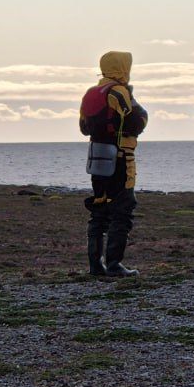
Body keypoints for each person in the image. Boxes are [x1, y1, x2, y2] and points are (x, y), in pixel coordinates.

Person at [79, 51, 147, 277]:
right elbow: (137, 121)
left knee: (99, 208)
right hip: (121, 157)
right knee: (123, 208)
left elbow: (84, 127)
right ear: (122, 68)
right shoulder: (119, 92)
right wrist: (133, 99)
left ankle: (95, 265)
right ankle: (115, 264)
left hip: (97, 157)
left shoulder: (91, 93)